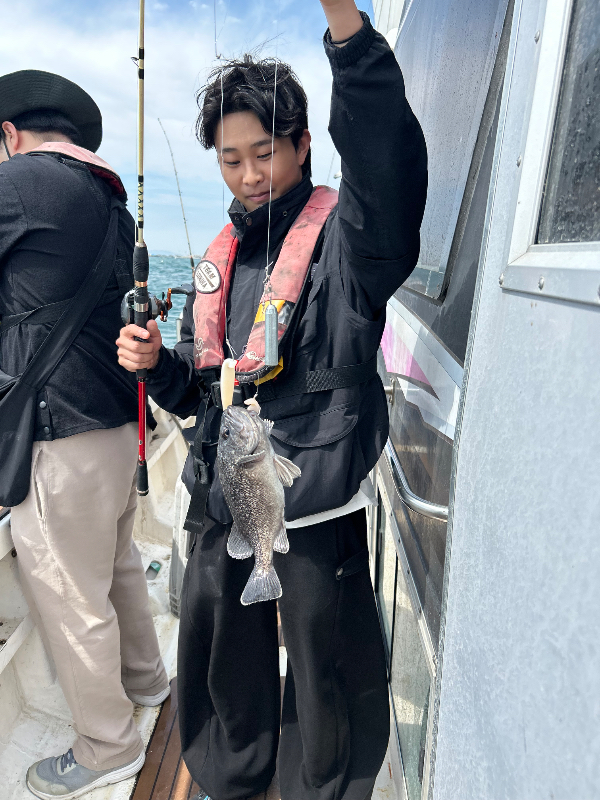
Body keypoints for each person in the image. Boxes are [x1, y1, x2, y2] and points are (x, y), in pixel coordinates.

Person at [117, 1, 427, 798]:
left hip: (314, 500)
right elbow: (202, 393)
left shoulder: (347, 244)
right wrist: (159, 366)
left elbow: (386, 163)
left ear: (301, 144)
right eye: (231, 160)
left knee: (327, 673)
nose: (250, 175)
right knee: (221, 659)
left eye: (265, 153)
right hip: (225, 495)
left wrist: (347, 34)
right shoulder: (218, 261)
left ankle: (323, 787)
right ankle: (232, 778)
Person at [0, 70, 169, 799]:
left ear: (9, 135)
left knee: (73, 595)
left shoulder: (19, 184)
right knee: (116, 565)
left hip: (62, 433)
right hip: (121, 426)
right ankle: (148, 681)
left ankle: (108, 746)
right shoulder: (109, 203)